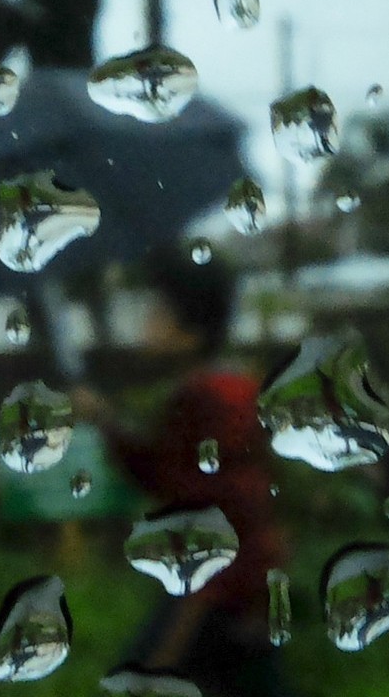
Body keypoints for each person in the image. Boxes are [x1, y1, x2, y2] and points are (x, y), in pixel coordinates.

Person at [72, 247, 287, 697]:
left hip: (221, 599)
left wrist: (176, 636)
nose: (145, 321)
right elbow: (165, 477)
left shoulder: (210, 400)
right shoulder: (207, 391)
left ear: (189, 332)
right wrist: (106, 425)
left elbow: (217, 515)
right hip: (232, 592)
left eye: (157, 311)